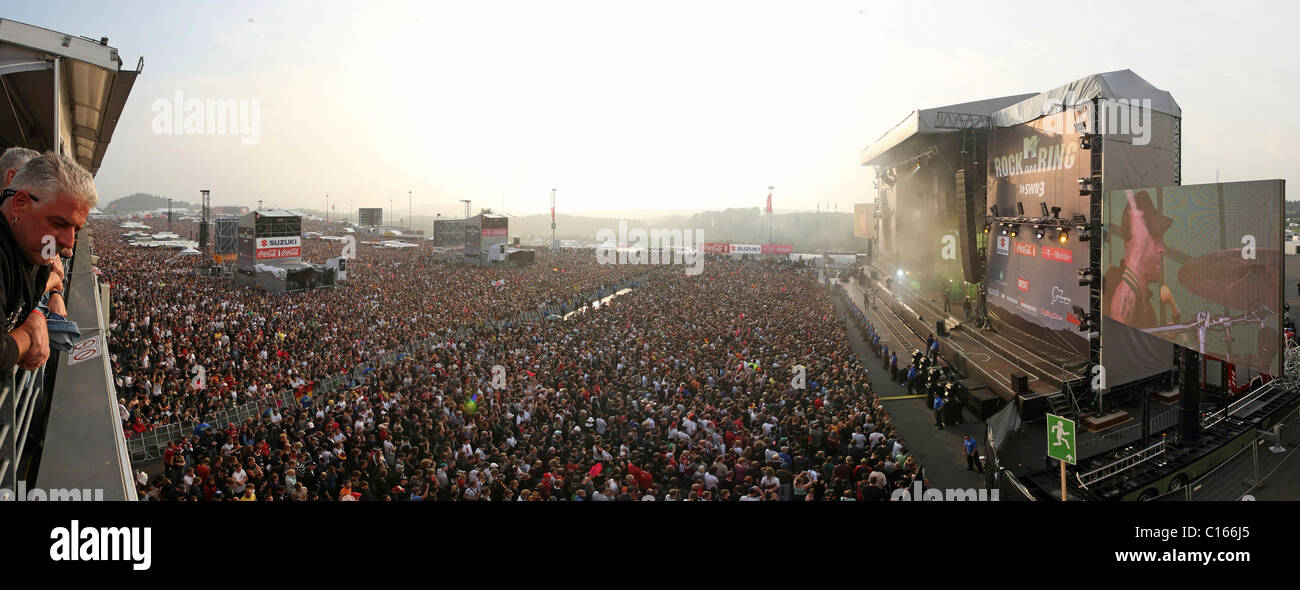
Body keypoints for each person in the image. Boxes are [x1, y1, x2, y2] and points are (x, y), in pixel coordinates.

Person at [0, 151, 94, 373]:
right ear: (20, 203)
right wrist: (26, 334)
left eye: (75, 229)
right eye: (59, 222)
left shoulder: (38, 252)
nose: (68, 242)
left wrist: (35, 313)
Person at [1104, 189, 1172, 327]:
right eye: (1156, 240)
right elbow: (1118, 324)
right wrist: (1137, 249)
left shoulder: (1148, 303)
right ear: (1137, 241)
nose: (1162, 249)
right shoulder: (1111, 281)